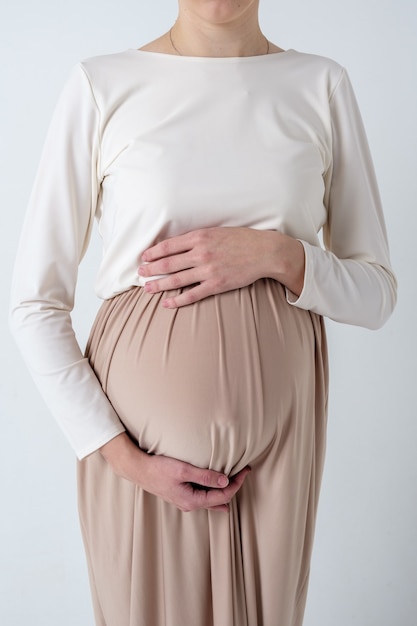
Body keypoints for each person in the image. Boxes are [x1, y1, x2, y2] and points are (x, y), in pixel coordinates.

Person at [9, 1, 397, 625]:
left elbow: (376, 293)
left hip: (278, 458)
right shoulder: (102, 84)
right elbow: (33, 302)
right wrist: (122, 457)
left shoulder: (320, 85)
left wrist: (278, 253)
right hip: (139, 464)